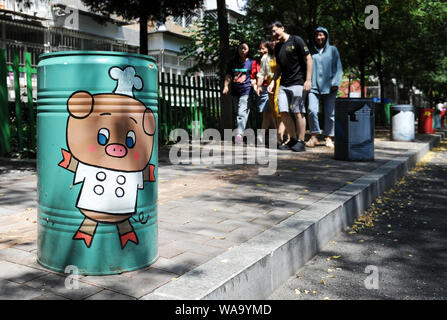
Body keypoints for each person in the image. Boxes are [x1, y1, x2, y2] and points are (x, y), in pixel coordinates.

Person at [267, 21, 313, 152]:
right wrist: (273, 81)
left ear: (282, 28)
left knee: (298, 112)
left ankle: (301, 141)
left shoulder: (296, 40)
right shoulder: (277, 47)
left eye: (275, 31)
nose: (273, 34)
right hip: (283, 84)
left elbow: (309, 59)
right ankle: (292, 139)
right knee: (283, 112)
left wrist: (308, 80)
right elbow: (279, 68)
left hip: (298, 82)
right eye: (271, 33)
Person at [305, 27, 343, 148]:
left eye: (321, 35)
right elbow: (306, 67)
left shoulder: (333, 50)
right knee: (312, 110)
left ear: (326, 36)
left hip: (330, 86)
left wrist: (335, 83)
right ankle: (314, 135)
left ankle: (328, 137)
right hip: (314, 86)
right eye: (317, 35)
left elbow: (338, 67)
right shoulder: (311, 51)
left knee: (330, 113)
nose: (319, 37)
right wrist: (307, 81)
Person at [222, 41, 254, 143]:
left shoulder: (252, 63)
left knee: (241, 113)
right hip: (235, 92)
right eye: (240, 48)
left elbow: (255, 76)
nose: (242, 50)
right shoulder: (233, 62)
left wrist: (255, 84)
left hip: (247, 91)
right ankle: (250, 134)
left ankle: (239, 134)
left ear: (248, 50)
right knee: (243, 114)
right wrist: (226, 86)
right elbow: (228, 75)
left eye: (245, 48)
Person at [254, 40, 276, 145]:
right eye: (260, 48)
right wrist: (258, 86)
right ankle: (267, 135)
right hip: (266, 88)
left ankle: (279, 136)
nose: (261, 51)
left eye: (264, 48)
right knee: (267, 112)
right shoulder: (264, 59)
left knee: (277, 112)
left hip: (279, 86)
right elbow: (261, 74)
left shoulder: (278, 56)